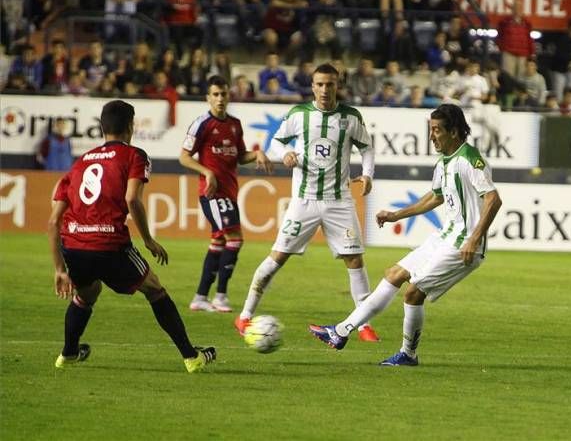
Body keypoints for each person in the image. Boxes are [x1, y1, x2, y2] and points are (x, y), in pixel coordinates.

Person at [309, 104, 503, 366]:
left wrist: (474, 238)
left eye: (437, 130)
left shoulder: (470, 159)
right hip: (445, 237)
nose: (432, 135)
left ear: (454, 132)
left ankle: (408, 355)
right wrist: (395, 215)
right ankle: (340, 331)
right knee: (394, 274)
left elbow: (493, 199)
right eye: (430, 129)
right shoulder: (444, 162)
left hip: (463, 245)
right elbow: (434, 198)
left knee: (413, 293)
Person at [48, 99, 216, 373]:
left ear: (102, 128)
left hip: (75, 245)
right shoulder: (135, 155)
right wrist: (148, 240)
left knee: (87, 294)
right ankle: (191, 356)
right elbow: (132, 200)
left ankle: (67, 354)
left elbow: (54, 220)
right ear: (130, 126)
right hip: (110, 244)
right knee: (154, 289)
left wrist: (59, 269)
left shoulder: (80, 163)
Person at [235, 63, 380, 343]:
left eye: (330, 84)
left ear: (338, 86)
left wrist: (368, 174)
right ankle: (244, 315)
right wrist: (286, 153)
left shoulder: (350, 117)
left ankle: (364, 325)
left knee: (354, 259)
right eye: (320, 84)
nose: (325, 89)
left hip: (339, 201)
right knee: (278, 257)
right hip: (305, 200)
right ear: (312, 86)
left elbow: (367, 148)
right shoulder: (299, 115)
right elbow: (276, 142)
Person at [179, 75, 272, 313]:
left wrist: (258, 153)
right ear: (208, 98)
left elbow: (241, 156)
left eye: (224, 94)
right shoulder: (202, 124)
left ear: (229, 96)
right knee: (235, 239)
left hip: (229, 192)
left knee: (218, 241)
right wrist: (206, 172)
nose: (220, 99)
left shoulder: (234, 124)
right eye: (215, 95)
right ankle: (220, 296)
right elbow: (184, 157)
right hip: (212, 193)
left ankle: (200, 297)